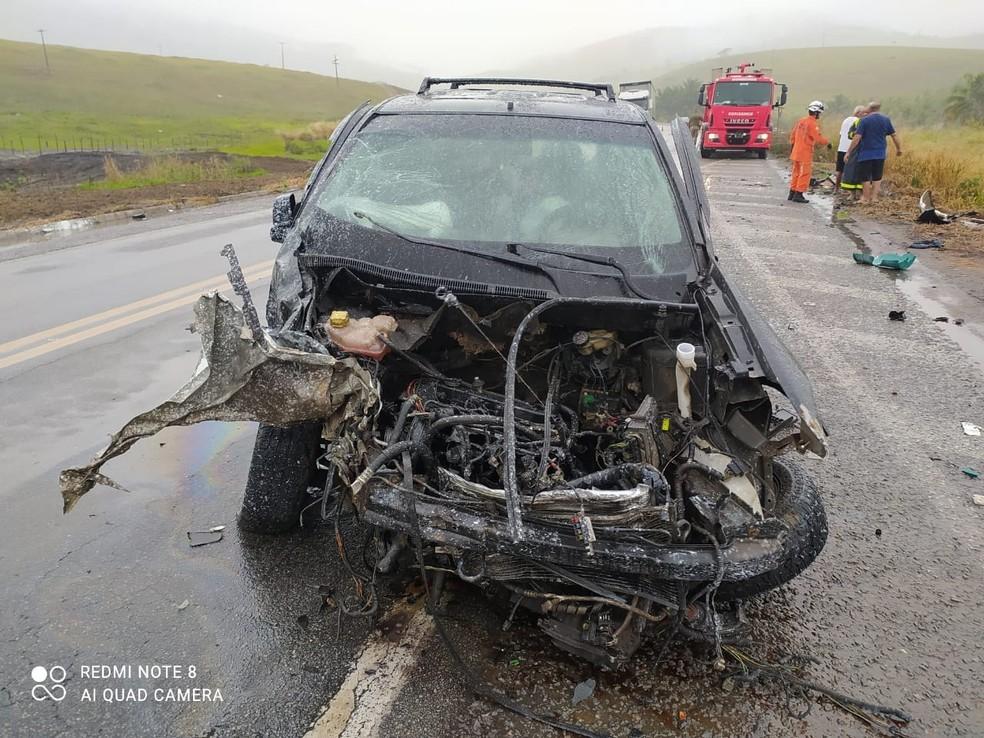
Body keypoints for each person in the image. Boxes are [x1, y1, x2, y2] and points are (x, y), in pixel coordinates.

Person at [846, 100, 902, 204]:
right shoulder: (886, 119)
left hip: (865, 153)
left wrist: (849, 152)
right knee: (877, 176)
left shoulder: (864, 120)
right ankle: (874, 198)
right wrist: (899, 149)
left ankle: (865, 198)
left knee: (865, 177)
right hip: (880, 153)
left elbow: (857, 137)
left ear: (870, 108)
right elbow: (894, 135)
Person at [788, 101, 830, 203]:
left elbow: (792, 135)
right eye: (819, 113)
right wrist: (827, 143)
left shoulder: (801, 121)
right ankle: (799, 194)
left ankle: (792, 193)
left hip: (796, 151)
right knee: (805, 173)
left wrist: (793, 146)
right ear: (816, 113)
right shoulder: (812, 123)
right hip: (805, 152)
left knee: (796, 173)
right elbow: (817, 137)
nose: (819, 115)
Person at [835, 105, 866, 189]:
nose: (865, 115)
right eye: (864, 113)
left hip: (841, 148)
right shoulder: (859, 121)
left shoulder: (846, 120)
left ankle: (836, 188)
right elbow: (858, 136)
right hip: (851, 149)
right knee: (851, 170)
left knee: (839, 170)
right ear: (858, 113)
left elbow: (841, 135)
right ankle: (849, 190)